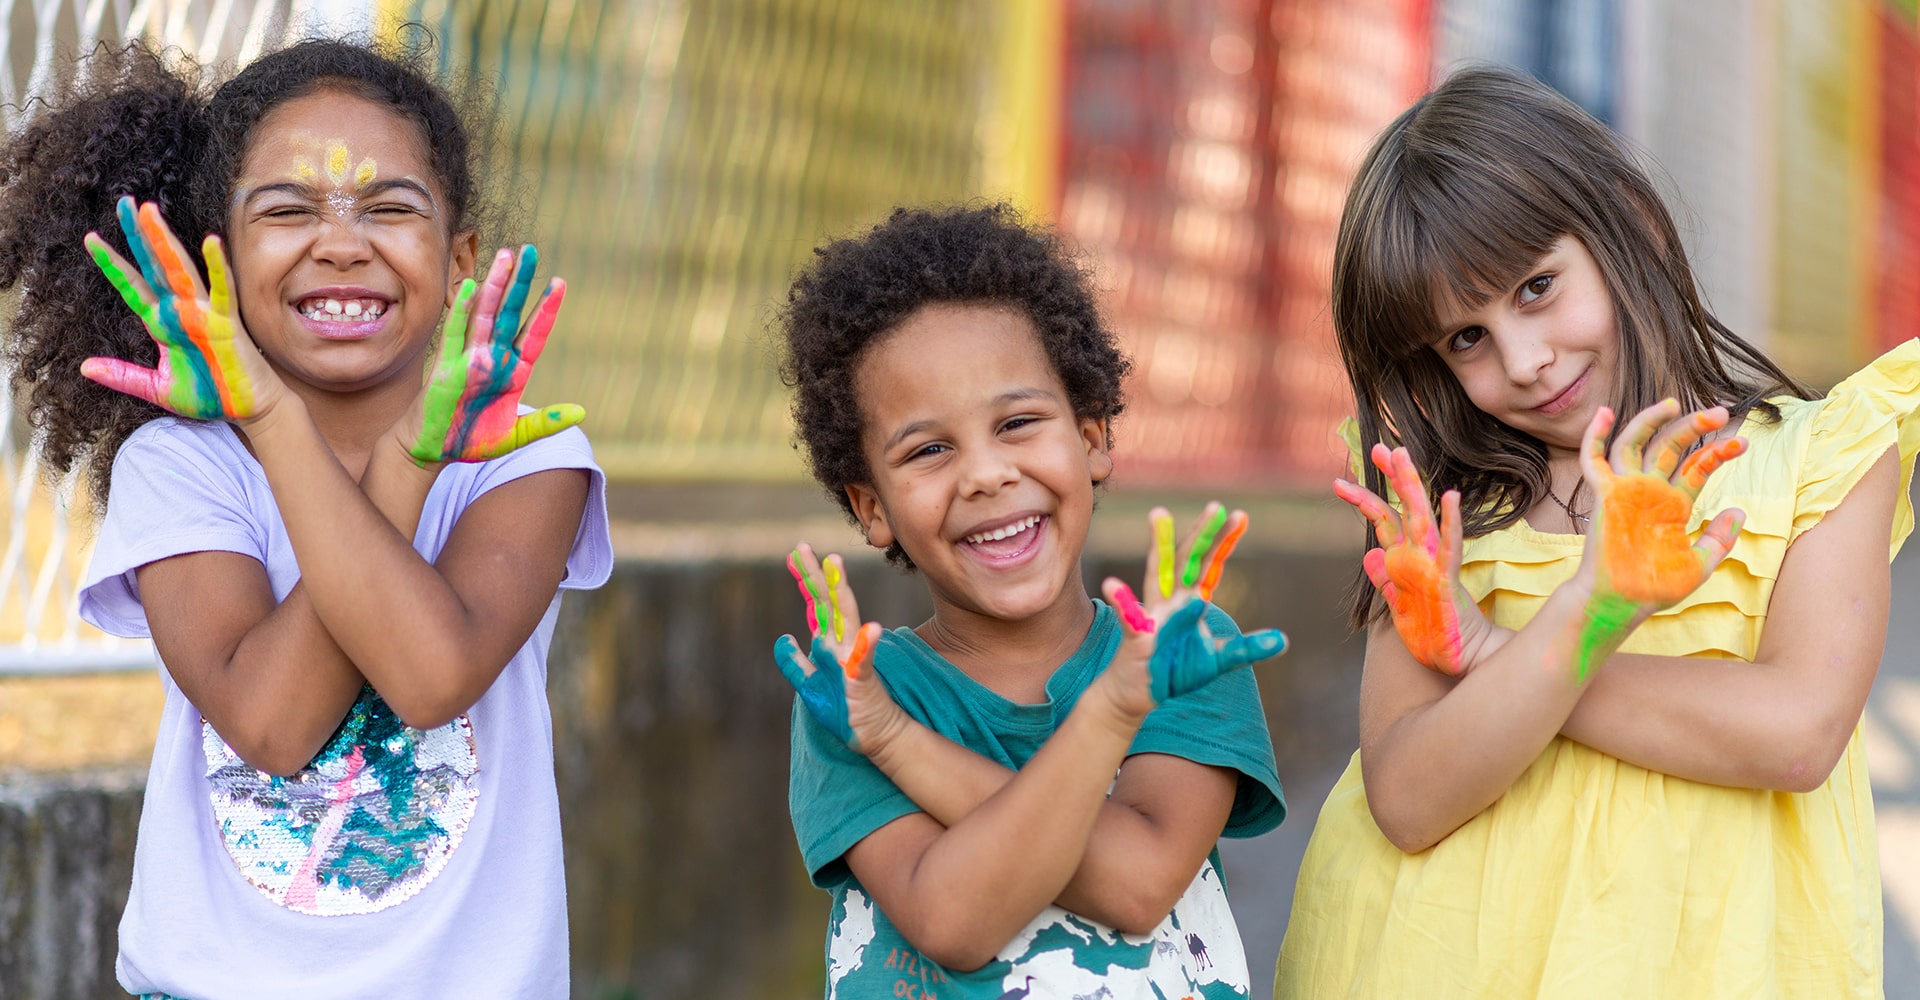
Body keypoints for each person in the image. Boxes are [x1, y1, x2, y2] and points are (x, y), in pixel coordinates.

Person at [1276, 66, 1920, 998]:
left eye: (1537, 287)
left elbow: (1795, 735)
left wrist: (1506, 656)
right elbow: (1409, 799)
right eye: (1466, 339)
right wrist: (1583, 611)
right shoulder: (1451, 506)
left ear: (1631, 226)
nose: (1526, 362)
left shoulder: (1820, 460)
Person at [0, 37, 611, 997]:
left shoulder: (527, 460)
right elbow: (273, 727)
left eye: (389, 207)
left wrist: (409, 453)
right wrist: (276, 422)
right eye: (286, 210)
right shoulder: (183, 467)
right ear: (222, 260)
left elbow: (427, 676)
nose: (340, 241)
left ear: (458, 260)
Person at [773, 203, 1289, 998]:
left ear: (1092, 439)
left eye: (1017, 422)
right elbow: (952, 920)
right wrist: (877, 727)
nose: (985, 474)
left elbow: (1140, 882)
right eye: (930, 449)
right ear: (872, 507)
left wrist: (901, 745)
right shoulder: (855, 694)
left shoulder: (1183, 656)